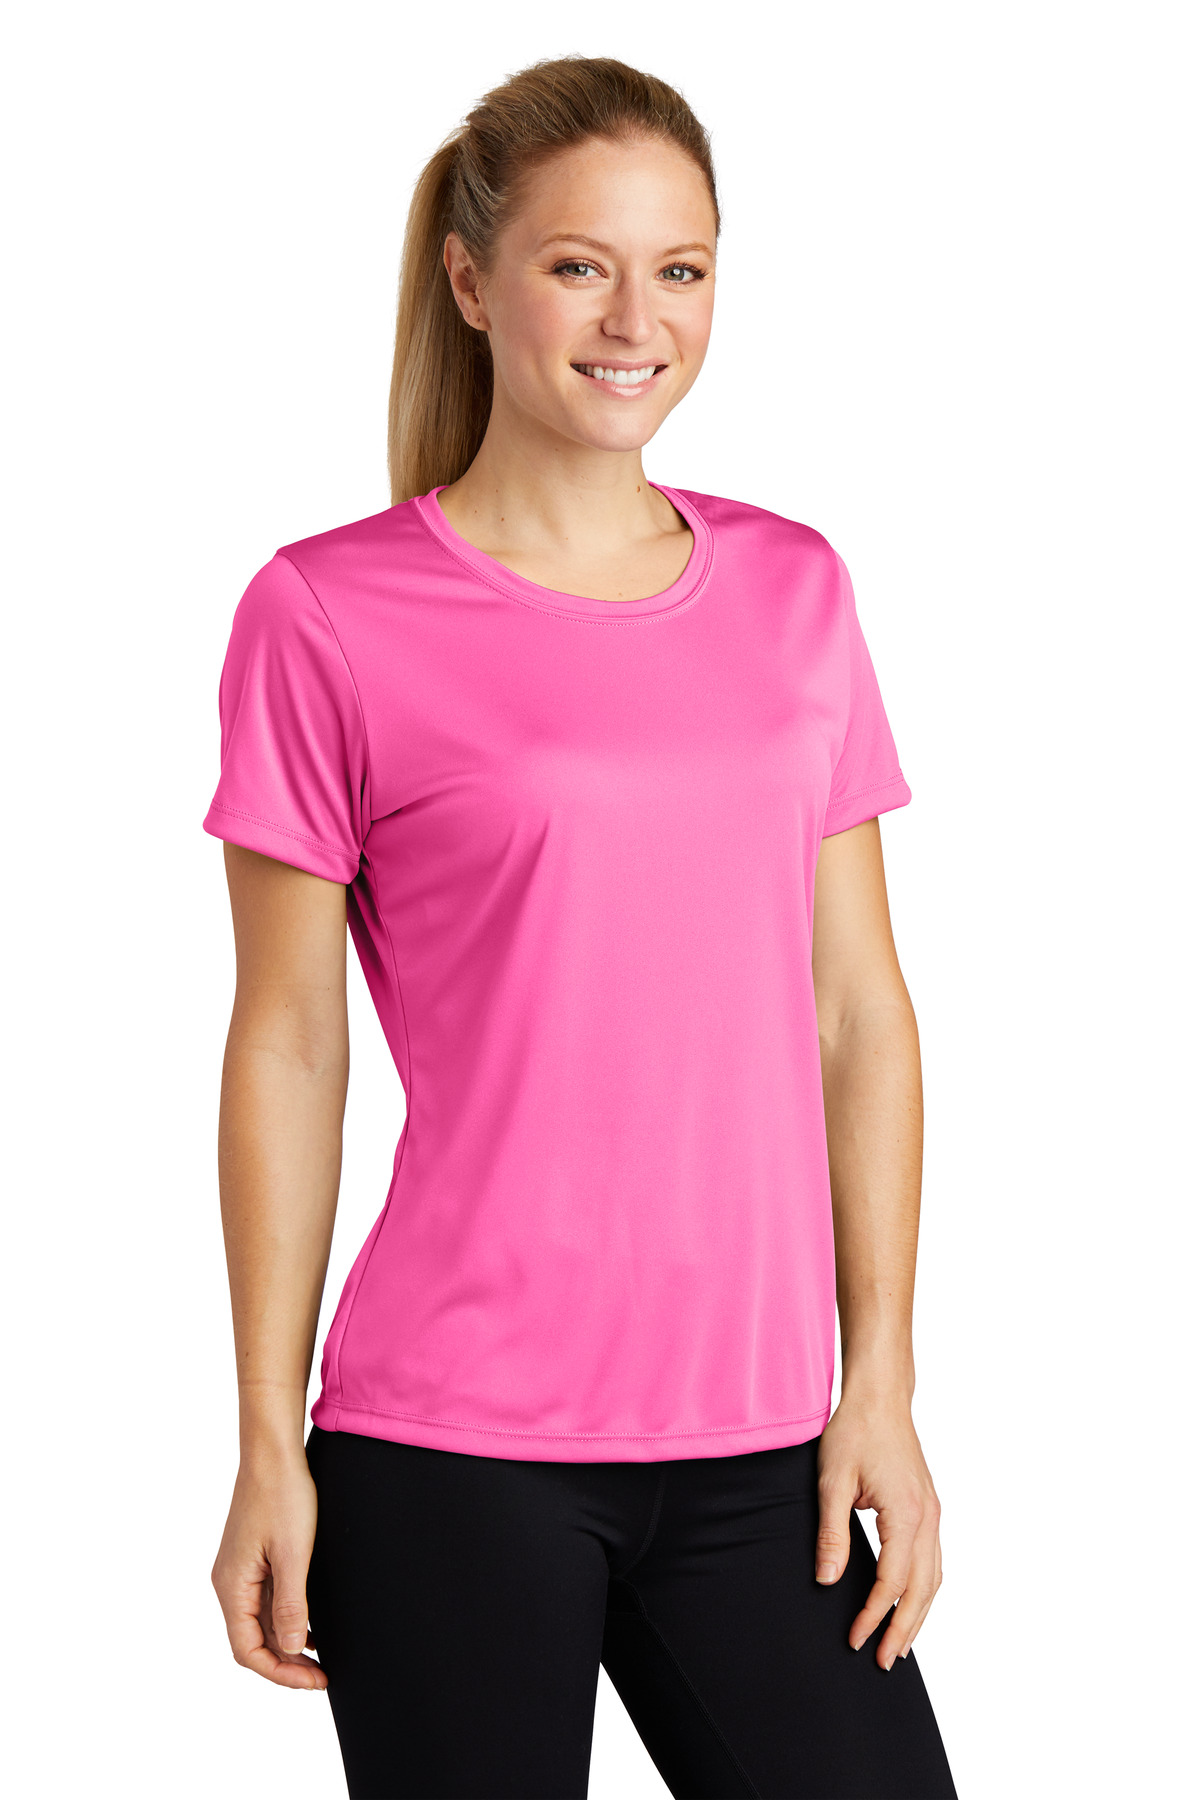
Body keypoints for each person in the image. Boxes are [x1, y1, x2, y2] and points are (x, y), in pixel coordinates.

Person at [205, 53, 958, 1800]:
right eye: (578, 266)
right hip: (449, 1448)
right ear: (472, 282)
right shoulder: (325, 613)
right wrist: (264, 1438)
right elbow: (290, 1042)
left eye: (679, 269)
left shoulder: (794, 590)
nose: (638, 320)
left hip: (769, 1447)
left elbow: (859, 1012)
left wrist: (885, 1381)